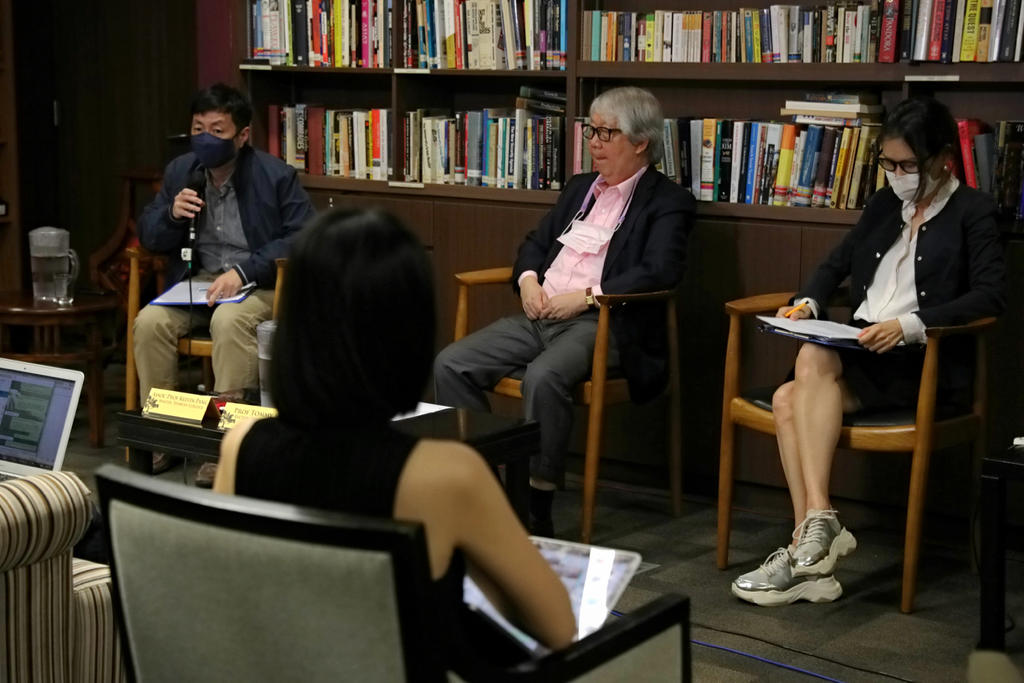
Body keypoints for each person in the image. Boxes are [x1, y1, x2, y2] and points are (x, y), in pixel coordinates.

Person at [213, 209, 576, 668]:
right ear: (408, 336)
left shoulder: (241, 446)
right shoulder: (448, 476)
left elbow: (232, 604)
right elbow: (558, 626)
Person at [732, 97, 1006, 607]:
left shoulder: (973, 211)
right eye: (889, 164)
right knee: (809, 362)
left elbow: (991, 295)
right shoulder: (884, 204)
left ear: (943, 158)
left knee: (793, 396)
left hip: (920, 362)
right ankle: (818, 535)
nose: (897, 175)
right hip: (858, 350)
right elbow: (834, 263)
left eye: (908, 166)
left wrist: (910, 325)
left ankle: (808, 547)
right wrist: (808, 301)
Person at [433, 87, 695, 535]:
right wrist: (528, 279)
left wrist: (591, 295)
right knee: (451, 364)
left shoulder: (667, 200)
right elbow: (536, 243)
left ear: (640, 142)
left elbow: (660, 271)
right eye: (591, 130)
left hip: (604, 321)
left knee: (545, 377)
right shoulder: (580, 188)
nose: (593, 142)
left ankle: (536, 500)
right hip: (540, 313)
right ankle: (485, 486)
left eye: (606, 132)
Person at [135, 83, 315, 476]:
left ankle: (223, 445)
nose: (205, 139)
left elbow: (304, 236)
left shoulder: (275, 175)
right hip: (198, 282)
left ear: (243, 135)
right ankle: (168, 434)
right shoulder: (181, 171)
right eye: (198, 129)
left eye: (217, 131)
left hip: (260, 286)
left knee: (229, 321)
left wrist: (245, 270)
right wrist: (171, 215)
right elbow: (149, 234)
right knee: (149, 323)